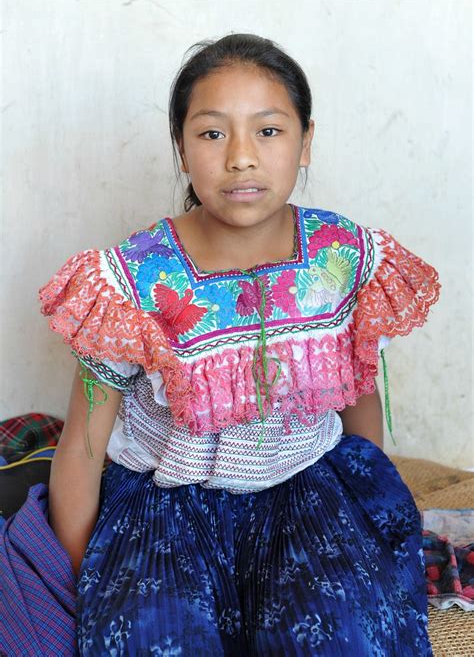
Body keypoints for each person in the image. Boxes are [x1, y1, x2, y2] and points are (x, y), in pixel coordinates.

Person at [0, 33, 441, 656]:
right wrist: (80, 582)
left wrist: (362, 507)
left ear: (306, 139)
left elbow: (356, 392)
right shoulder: (129, 281)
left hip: (305, 492)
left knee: (339, 636)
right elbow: (82, 445)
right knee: (150, 640)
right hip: (164, 509)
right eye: (211, 133)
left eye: (268, 131)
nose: (241, 158)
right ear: (181, 146)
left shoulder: (344, 256)